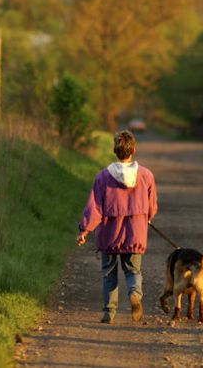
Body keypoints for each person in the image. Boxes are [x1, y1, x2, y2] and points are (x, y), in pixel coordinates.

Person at [76, 130, 158, 323]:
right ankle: (135, 293)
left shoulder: (102, 177)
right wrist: (147, 218)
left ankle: (109, 313)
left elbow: (94, 208)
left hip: (109, 234)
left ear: (114, 150)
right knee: (133, 271)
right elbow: (152, 206)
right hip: (135, 232)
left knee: (109, 274)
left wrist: (84, 230)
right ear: (134, 150)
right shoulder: (146, 175)